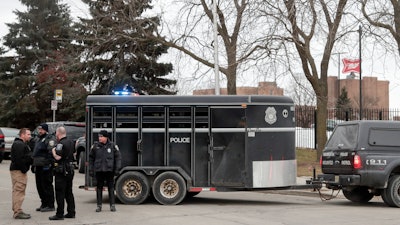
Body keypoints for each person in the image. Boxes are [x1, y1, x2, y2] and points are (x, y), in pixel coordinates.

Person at [89, 130, 121, 212]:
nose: (99, 138)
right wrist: (91, 169)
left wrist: (117, 168)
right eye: (99, 136)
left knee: (111, 188)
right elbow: (91, 158)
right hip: (99, 170)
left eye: (101, 136)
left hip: (109, 170)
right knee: (99, 188)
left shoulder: (112, 146)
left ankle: (112, 205)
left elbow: (118, 158)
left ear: (106, 137)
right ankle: (99, 206)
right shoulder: (95, 146)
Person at [48, 126, 76, 220]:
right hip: (70, 170)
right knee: (69, 192)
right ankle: (71, 212)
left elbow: (58, 158)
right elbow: (74, 154)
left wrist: (53, 151)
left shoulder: (60, 144)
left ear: (58, 134)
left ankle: (59, 214)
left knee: (60, 192)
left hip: (62, 171)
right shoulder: (71, 142)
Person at [32, 123, 56, 212]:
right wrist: (33, 164)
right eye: (39, 129)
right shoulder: (38, 138)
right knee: (40, 186)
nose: (40, 131)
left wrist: (49, 164)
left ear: (45, 130)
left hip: (45, 166)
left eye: (41, 129)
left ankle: (50, 205)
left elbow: (51, 151)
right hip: (38, 165)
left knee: (47, 185)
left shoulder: (49, 138)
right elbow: (35, 152)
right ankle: (44, 203)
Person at [10, 128, 33, 219]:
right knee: (19, 190)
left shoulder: (20, 143)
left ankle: (16, 209)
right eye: (28, 134)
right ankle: (17, 211)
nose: (30, 136)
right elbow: (19, 159)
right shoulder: (19, 144)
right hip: (19, 171)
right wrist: (24, 170)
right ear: (22, 135)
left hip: (17, 170)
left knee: (17, 190)